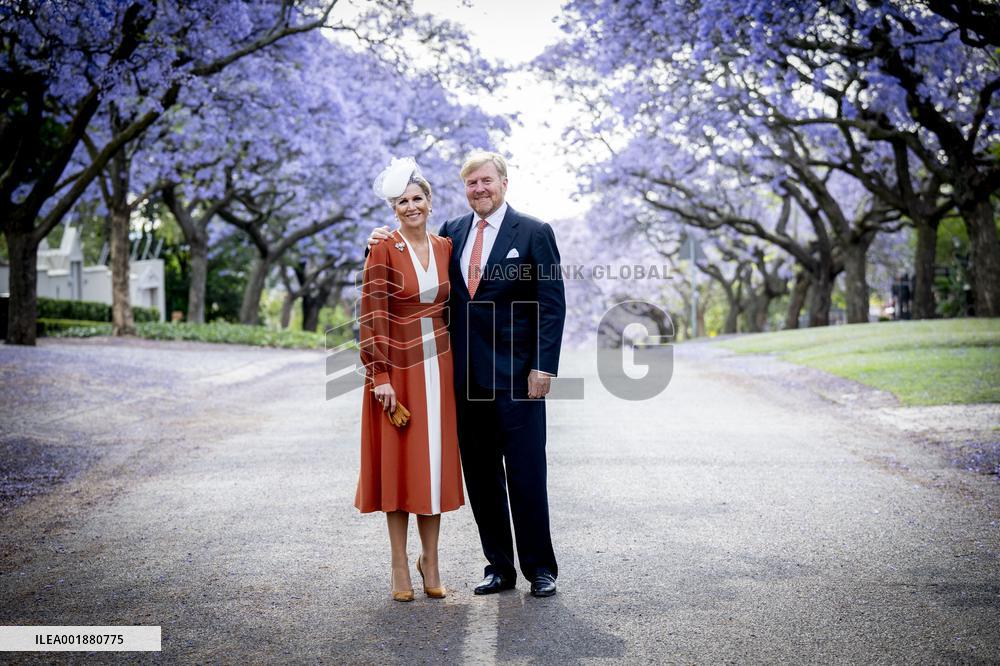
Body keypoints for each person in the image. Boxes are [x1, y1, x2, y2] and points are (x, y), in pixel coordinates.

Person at [369, 151, 566, 597]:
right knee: (481, 476)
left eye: (486, 181)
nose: (479, 189)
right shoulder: (452, 234)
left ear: (503, 183)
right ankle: (499, 566)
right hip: (464, 378)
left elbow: (552, 304)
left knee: (526, 473)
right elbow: (417, 267)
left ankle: (539, 568)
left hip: (519, 377)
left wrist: (543, 366)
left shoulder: (535, 232)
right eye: (471, 183)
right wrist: (378, 240)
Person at [356, 157, 464, 602]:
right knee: (399, 467)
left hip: (440, 366)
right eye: (403, 201)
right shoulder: (382, 248)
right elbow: (371, 312)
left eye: (418, 198)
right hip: (396, 368)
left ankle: (431, 560)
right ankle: (399, 563)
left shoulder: (445, 248)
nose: (411, 206)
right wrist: (378, 374)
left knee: (433, 466)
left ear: (429, 202)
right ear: (394, 208)